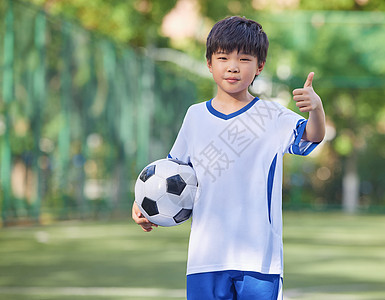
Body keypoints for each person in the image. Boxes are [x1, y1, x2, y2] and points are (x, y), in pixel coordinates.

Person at [132, 16, 325, 300]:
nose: (233, 66)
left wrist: (316, 109)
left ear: (260, 66)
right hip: (205, 259)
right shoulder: (195, 116)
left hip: (259, 260)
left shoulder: (272, 116)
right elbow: (172, 172)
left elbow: (312, 136)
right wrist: (141, 202)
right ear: (209, 64)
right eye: (223, 57)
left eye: (244, 59)